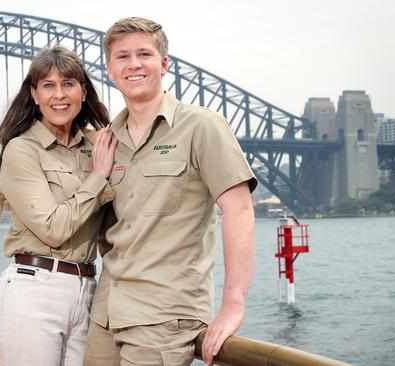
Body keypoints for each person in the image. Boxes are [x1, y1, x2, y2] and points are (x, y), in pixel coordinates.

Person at [83, 17, 258, 366]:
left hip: (163, 317)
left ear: (164, 64)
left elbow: (239, 210)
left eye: (144, 54)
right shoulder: (107, 141)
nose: (133, 64)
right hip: (106, 313)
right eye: (122, 57)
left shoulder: (201, 126)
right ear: (109, 69)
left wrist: (233, 305)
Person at [0, 46, 118, 366]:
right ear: (34, 94)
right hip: (35, 290)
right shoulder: (22, 151)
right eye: (48, 85)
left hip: (87, 289)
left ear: (83, 92)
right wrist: (98, 176)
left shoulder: (97, 145)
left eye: (68, 84)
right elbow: (53, 228)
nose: (58, 95)